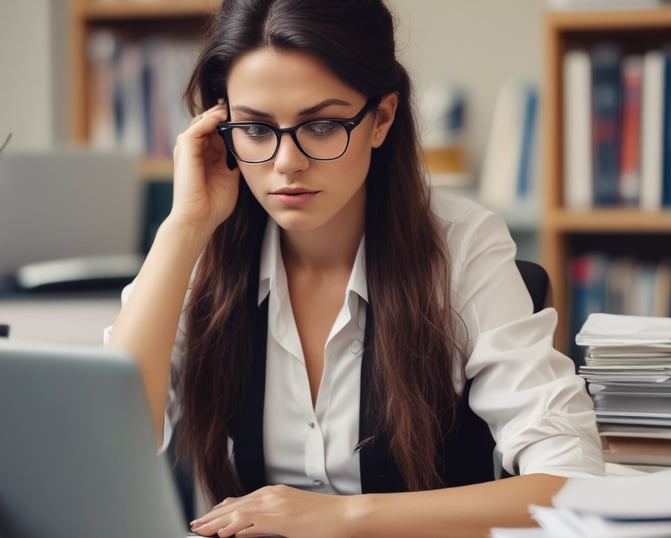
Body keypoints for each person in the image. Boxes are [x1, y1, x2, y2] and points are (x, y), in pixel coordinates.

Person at [106, 0, 605, 536]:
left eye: (320, 125)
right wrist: (183, 228)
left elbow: (570, 482)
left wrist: (342, 517)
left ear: (381, 119)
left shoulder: (460, 245)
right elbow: (109, 442)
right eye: (254, 129)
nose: (284, 163)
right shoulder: (203, 245)